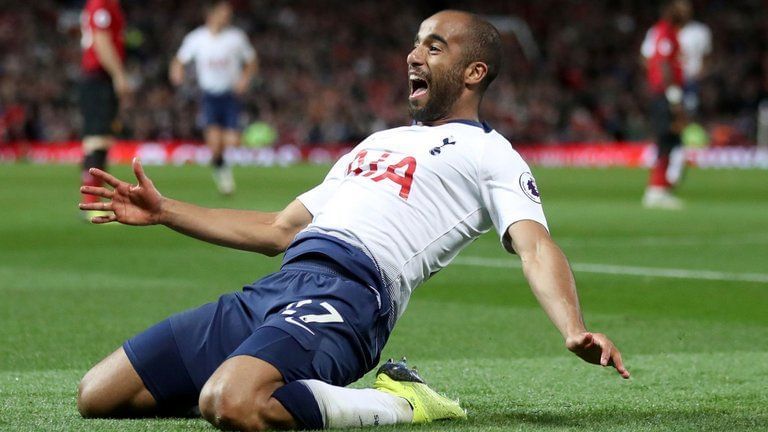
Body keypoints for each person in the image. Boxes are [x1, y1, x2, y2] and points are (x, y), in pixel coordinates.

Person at [77, 10, 629, 431]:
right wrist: (164, 210)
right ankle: (267, 378)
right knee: (98, 396)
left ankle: (401, 401)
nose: (414, 55)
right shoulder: (379, 142)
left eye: (434, 47)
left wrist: (573, 327)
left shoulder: (492, 154)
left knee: (232, 401)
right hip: (283, 284)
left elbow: (534, 246)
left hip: (352, 298)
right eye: (415, 43)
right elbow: (278, 229)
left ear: (473, 71)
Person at [169, 1, 258, 195]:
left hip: (230, 96)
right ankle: (223, 175)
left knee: (233, 141)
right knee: (214, 145)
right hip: (209, 96)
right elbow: (179, 59)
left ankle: (223, 165)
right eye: (224, 12)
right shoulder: (197, 38)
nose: (227, 16)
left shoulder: (236, 38)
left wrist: (244, 79)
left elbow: (251, 61)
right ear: (211, 14)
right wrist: (177, 71)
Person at [79, 0, 130, 219]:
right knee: (97, 140)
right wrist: (119, 75)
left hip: (97, 79)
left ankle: (94, 202)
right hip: (98, 78)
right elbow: (101, 41)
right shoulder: (101, 4)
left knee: (101, 139)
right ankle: (91, 206)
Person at [640, 0, 691, 209]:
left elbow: (647, 58)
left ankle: (660, 188)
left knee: (670, 141)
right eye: (684, 11)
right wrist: (673, 96)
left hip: (663, 93)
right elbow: (662, 63)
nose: (687, 15)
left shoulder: (664, 32)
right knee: (666, 140)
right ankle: (656, 190)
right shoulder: (666, 33)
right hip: (665, 94)